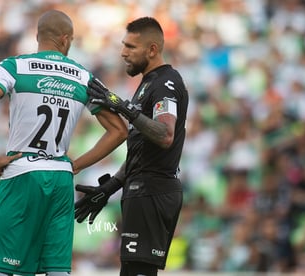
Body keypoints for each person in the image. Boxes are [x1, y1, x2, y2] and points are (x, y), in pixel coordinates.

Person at [0, 9, 127, 276]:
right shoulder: (83, 76)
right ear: (66, 39)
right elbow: (119, 131)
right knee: (56, 269)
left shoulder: (14, 66)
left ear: (37, 36)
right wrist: (76, 164)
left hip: (22, 173)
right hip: (60, 178)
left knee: (0, 267)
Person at [74, 17, 189, 276]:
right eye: (123, 45)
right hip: (141, 190)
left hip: (154, 191)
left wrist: (122, 106)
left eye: (131, 47)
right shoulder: (147, 84)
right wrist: (109, 188)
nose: (123, 52)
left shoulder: (166, 83)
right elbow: (143, 151)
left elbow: (165, 135)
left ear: (152, 49)